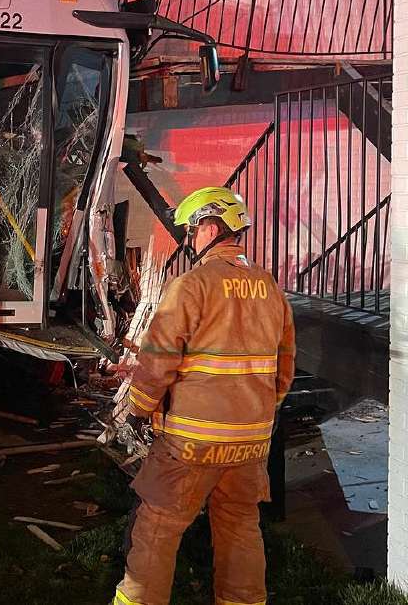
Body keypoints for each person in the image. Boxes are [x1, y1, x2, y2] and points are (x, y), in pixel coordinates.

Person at [112, 186, 296, 605]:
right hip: (250, 443)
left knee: (157, 527)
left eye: (192, 232)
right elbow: (284, 370)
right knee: (240, 526)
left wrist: (139, 410)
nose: (190, 241)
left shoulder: (190, 286)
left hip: (191, 442)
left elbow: (158, 361)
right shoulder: (270, 288)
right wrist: (256, 416)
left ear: (211, 227)